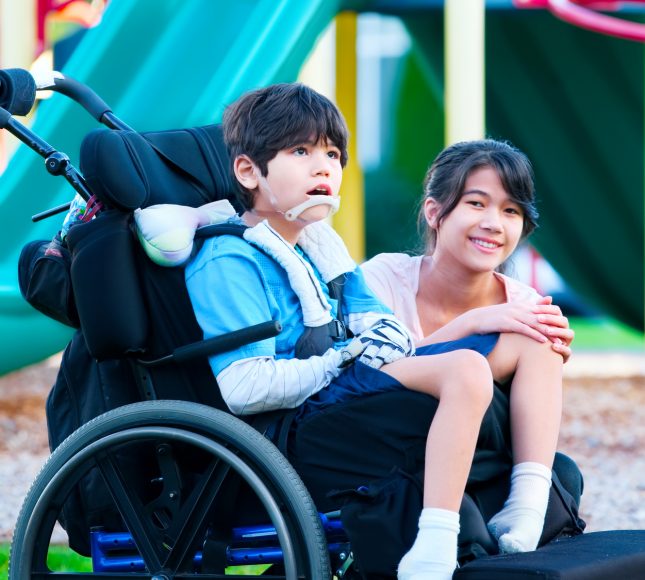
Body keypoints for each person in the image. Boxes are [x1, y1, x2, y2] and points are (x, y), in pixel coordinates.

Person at [180, 84, 529, 580]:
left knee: (519, 341)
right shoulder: (229, 259)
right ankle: (437, 538)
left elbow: (381, 331)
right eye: (301, 151)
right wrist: (346, 357)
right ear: (248, 171)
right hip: (291, 434)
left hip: (338, 401)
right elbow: (243, 387)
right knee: (467, 371)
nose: (324, 166)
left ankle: (529, 497)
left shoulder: (318, 249)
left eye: (332, 153)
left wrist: (383, 348)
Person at [362, 139, 575, 567]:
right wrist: (469, 326)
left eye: (511, 211)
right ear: (434, 212)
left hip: (478, 450)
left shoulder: (522, 303)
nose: (495, 223)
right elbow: (363, 370)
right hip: (391, 440)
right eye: (477, 203)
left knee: (562, 472)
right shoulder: (383, 278)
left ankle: (528, 502)